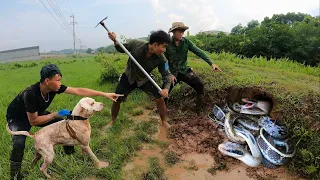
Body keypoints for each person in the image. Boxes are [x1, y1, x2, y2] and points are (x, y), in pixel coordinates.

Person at [6, 64, 122, 180]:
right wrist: (54, 114)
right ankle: (15, 176)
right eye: (58, 80)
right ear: (47, 81)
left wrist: (104, 94)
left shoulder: (53, 88)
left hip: (36, 112)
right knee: (19, 143)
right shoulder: (30, 94)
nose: (60, 83)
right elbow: (34, 121)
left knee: (62, 122)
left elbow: (78, 90)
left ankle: (70, 151)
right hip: (18, 118)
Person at [107, 30, 172, 129]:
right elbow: (121, 48)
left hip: (145, 78)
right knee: (117, 99)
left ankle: (164, 121)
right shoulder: (135, 44)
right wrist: (115, 41)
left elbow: (166, 75)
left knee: (160, 99)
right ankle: (112, 120)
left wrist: (166, 89)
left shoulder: (162, 59)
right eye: (164, 46)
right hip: (129, 76)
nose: (164, 50)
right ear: (155, 44)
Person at [164, 22, 223, 109]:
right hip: (172, 73)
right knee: (164, 92)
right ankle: (162, 109)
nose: (181, 34)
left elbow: (199, 52)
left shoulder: (186, 42)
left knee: (200, 85)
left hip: (184, 70)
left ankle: (199, 107)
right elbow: (163, 62)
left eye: (183, 32)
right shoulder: (167, 44)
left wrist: (212, 63)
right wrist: (169, 74)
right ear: (173, 32)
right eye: (179, 32)